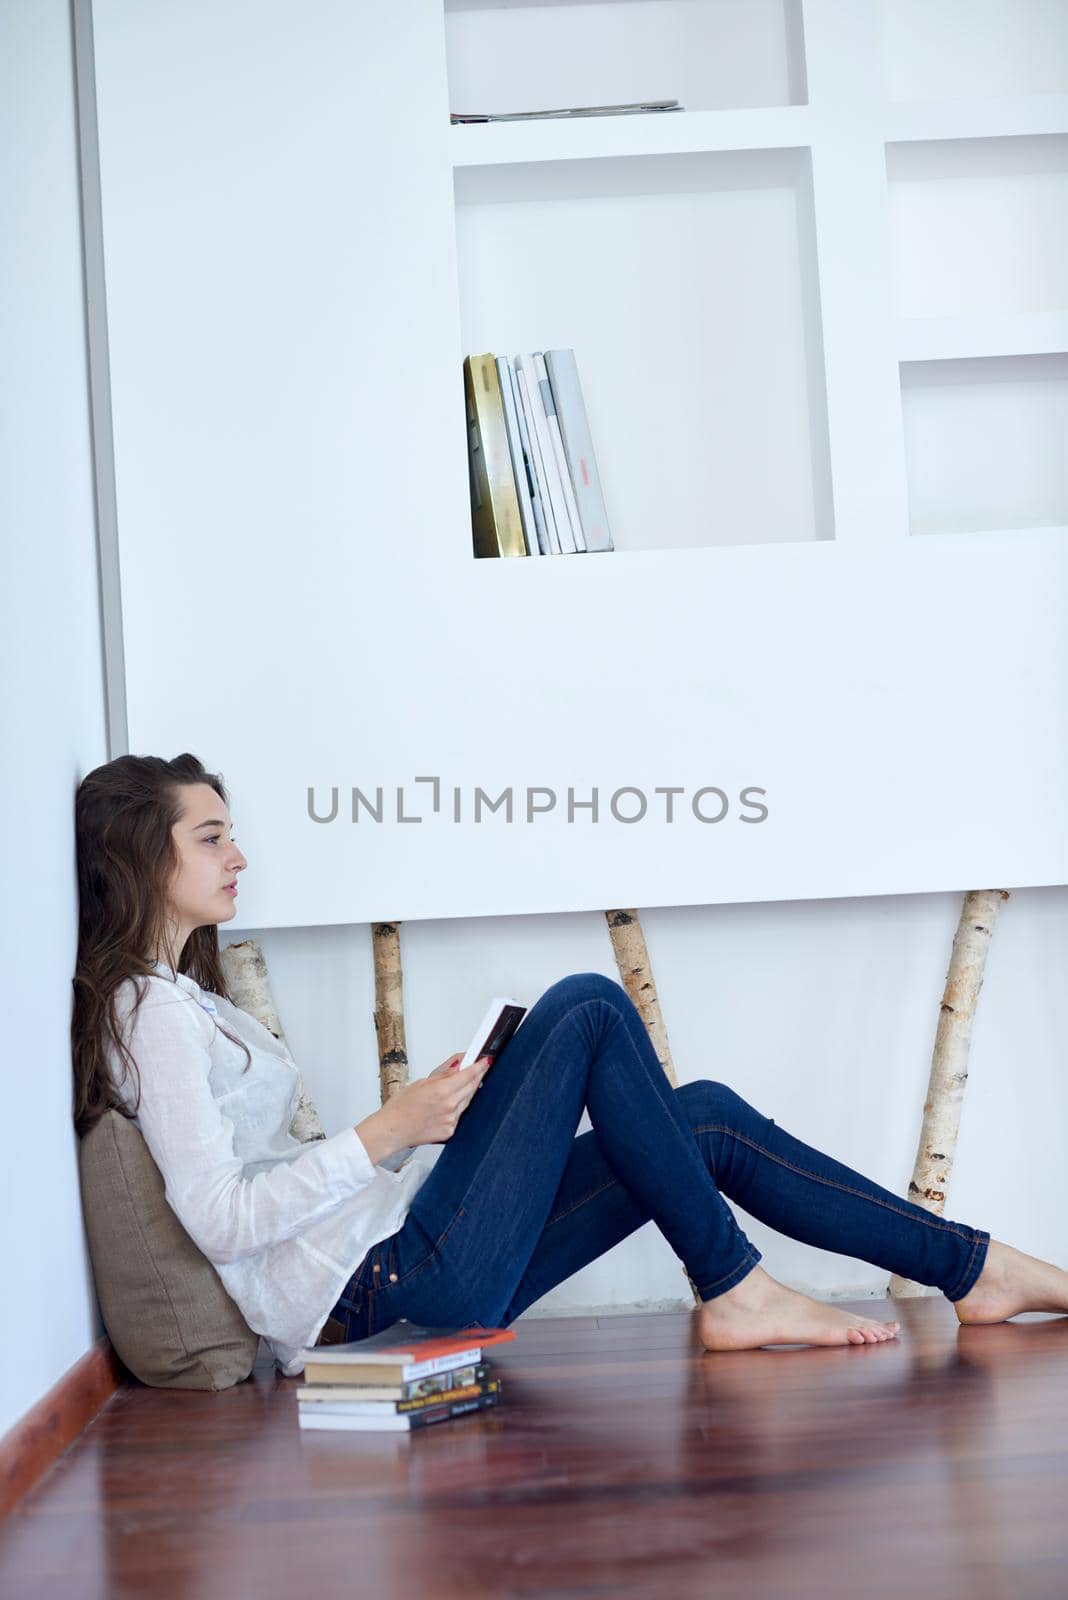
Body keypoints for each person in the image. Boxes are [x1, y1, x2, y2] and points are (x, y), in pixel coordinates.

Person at [73, 753, 1068, 1377]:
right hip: (384, 1288)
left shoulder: (190, 998)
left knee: (706, 1116)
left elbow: (275, 1183)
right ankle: (734, 1284)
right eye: (211, 838)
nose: (237, 855)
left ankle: (973, 1268)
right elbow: (221, 1218)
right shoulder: (146, 1009)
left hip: (404, 1250)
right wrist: (392, 1128)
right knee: (587, 1006)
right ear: (138, 856)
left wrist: (433, 1122)